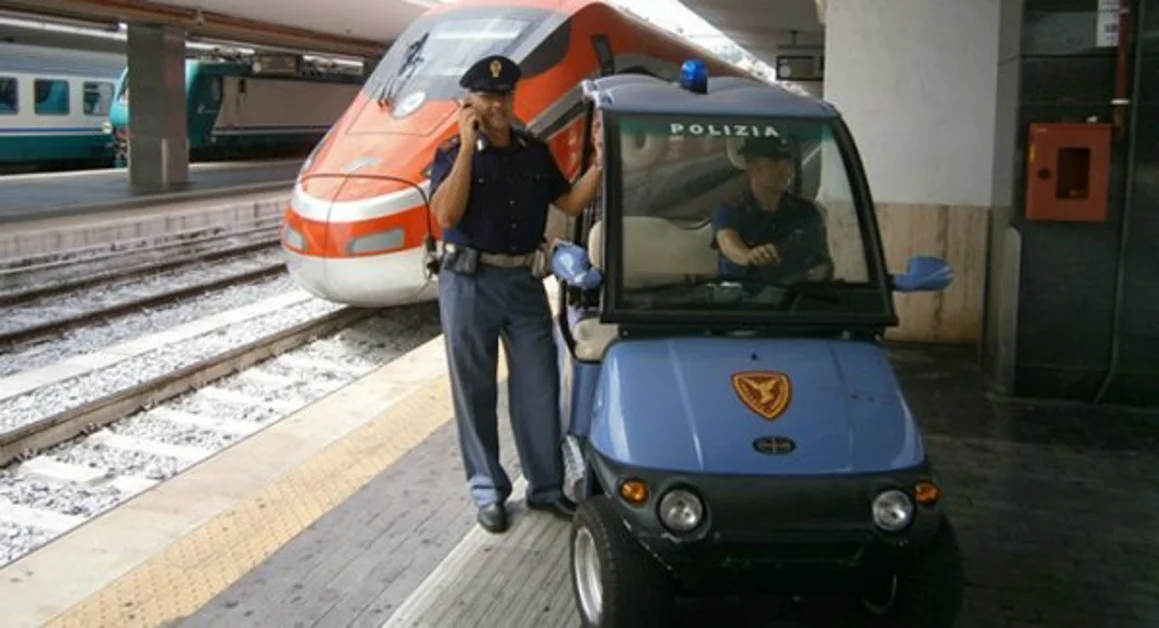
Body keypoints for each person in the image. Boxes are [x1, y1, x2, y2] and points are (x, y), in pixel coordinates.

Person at [428, 54, 604, 534]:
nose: (497, 104)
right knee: (475, 390)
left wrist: (602, 164)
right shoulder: (450, 153)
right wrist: (468, 147)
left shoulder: (532, 150)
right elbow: (446, 215)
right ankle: (487, 491)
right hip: (468, 284)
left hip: (524, 283)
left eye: (504, 95)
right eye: (486, 96)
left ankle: (545, 488)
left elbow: (567, 201)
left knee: (540, 384)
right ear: (469, 102)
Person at [711, 136, 834, 283]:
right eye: (775, 163)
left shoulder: (805, 211)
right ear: (753, 168)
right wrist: (750, 256)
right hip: (741, 298)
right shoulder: (730, 210)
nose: (785, 169)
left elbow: (821, 261)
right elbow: (728, 242)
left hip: (793, 297)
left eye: (787, 162)